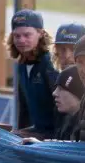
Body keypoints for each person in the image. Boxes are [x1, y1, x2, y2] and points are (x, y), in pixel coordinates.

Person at [8, 10, 58, 140]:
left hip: (55, 133)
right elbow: (23, 109)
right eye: (17, 36)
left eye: (27, 35)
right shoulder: (21, 65)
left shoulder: (50, 63)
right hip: (38, 129)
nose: (21, 40)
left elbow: (62, 108)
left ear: (40, 33)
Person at [51, 65, 85, 141]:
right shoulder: (65, 120)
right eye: (56, 88)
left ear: (78, 94)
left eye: (61, 89)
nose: (54, 93)